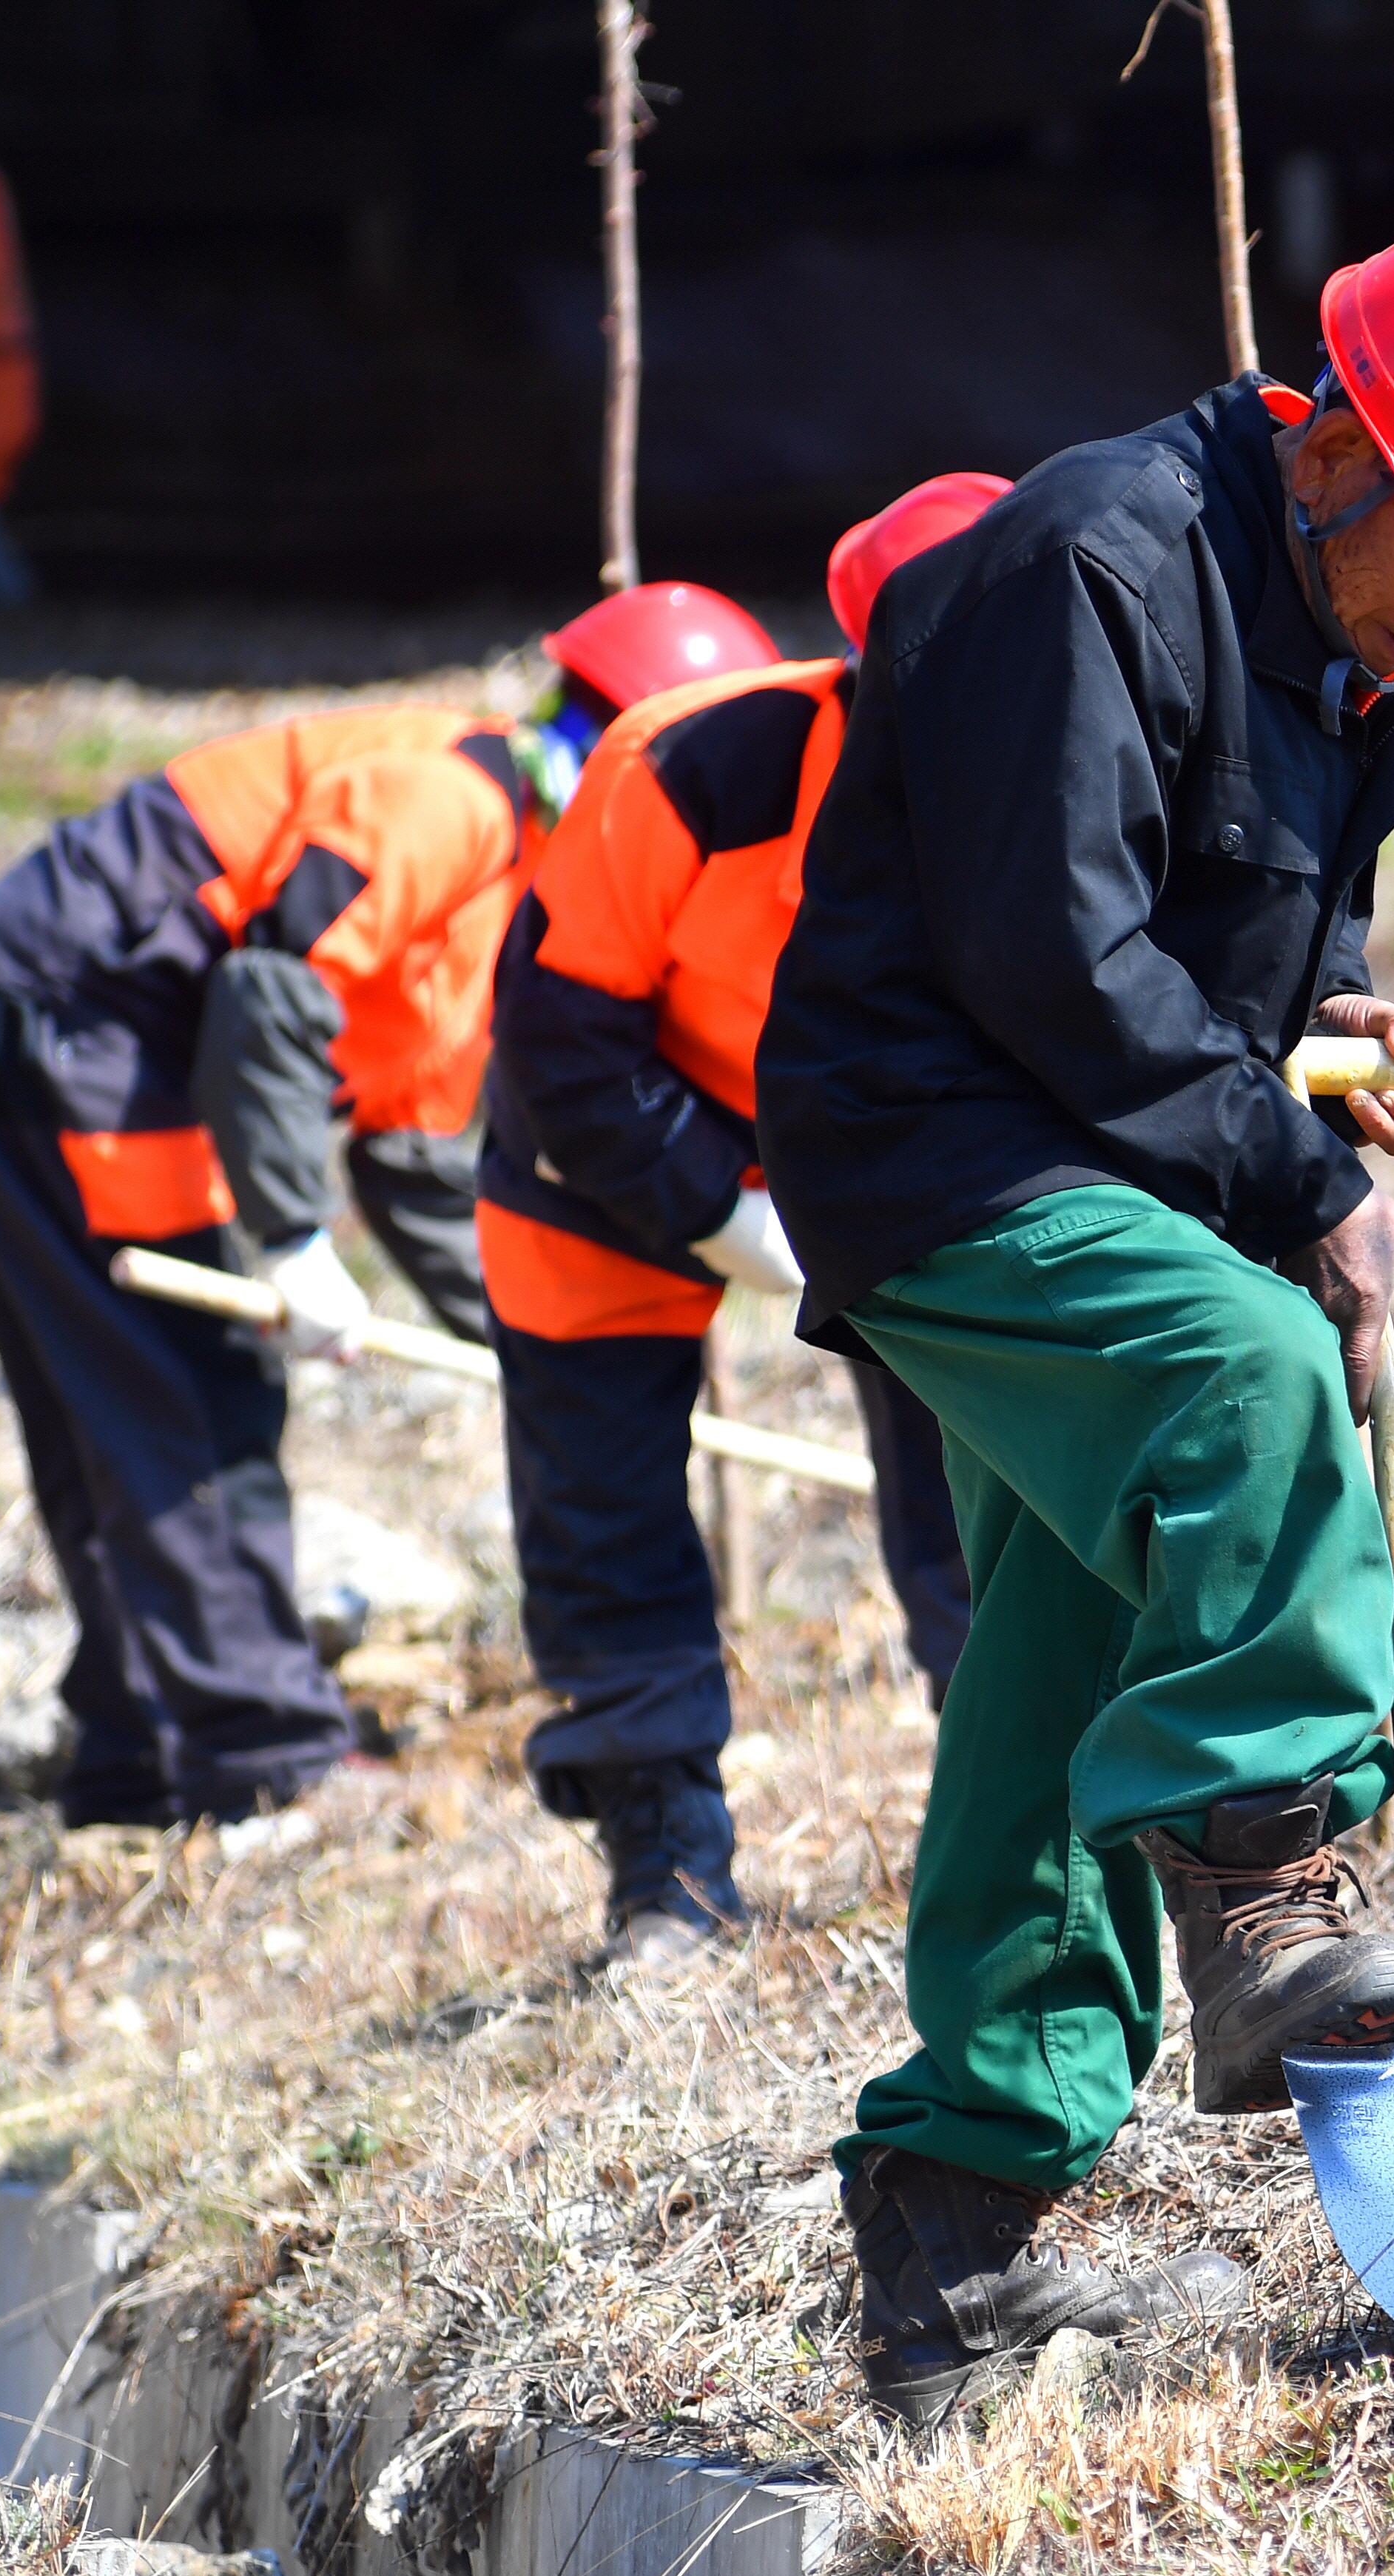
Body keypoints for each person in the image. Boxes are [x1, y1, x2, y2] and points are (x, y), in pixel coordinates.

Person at [752, 206, 1394, 2425]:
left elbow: (1264, 897)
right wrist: (1295, 1180)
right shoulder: (1095, 566)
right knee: (1253, 1379)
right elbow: (1052, 956)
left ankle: (950, 2233)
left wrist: (1323, 1017)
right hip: (943, 1143)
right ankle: (1263, 1870)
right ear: (1333, 438)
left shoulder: (1366, 631)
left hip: (1108, 1131)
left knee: (1065, 1652)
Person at [0, 582, 780, 1827]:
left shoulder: (515, 893)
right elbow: (266, 998)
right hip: (55, 1014)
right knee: (181, 1380)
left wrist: (547, 1350)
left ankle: (134, 1759)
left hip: (74, 1028)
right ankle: (261, 1759)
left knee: (117, 1390)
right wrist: (296, 1241)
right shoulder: (448, 798)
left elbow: (416, 1163)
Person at [482, 487, 1006, 1958]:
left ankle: (1020, 1818)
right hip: (609, 1140)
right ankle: (668, 1874)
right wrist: (721, 1208)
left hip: (900, 1155)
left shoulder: (1072, 794)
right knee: (601, 1503)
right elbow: (559, 1037)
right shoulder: (691, 769)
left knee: (987, 1481)